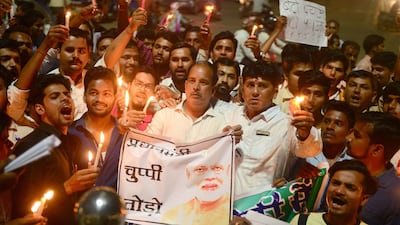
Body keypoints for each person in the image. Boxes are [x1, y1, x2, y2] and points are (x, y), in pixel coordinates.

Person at [225, 61, 322, 198]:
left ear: (276, 91)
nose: (255, 92)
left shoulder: (287, 123)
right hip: (220, 203)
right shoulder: (229, 113)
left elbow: (311, 150)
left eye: (262, 86)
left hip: (260, 207)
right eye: (250, 85)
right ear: (242, 87)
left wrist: (305, 133)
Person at [11, 74, 98, 225]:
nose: (65, 99)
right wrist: (67, 188)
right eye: (54, 96)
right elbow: (25, 206)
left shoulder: (74, 142)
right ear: (40, 108)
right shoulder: (32, 147)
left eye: (67, 94)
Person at [146, 61, 242, 143]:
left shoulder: (221, 124)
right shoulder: (164, 115)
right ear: (186, 85)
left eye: (203, 82)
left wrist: (231, 140)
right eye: (192, 81)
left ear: (212, 90)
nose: (196, 87)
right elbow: (146, 148)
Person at [346, 112, 400, 225]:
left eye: (357, 135)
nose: (348, 138)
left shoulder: (393, 196)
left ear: (376, 150)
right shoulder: (345, 172)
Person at [290, 160, 378, 225]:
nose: (339, 191)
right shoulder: (302, 222)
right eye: (336, 183)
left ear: (363, 199)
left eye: (350, 187)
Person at [68, 66, 123, 171]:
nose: (100, 99)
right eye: (94, 93)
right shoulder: (71, 133)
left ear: (115, 98)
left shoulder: (123, 133)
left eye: (106, 94)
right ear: (84, 96)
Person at [162, 158, 231, 225]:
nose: (210, 177)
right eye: (200, 169)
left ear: (228, 171)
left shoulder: (236, 211)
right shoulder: (173, 216)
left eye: (217, 168)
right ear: (188, 174)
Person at [274, 43, 314, 113]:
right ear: (286, 75)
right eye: (299, 74)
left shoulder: (318, 100)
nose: (304, 78)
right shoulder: (274, 98)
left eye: (308, 73)